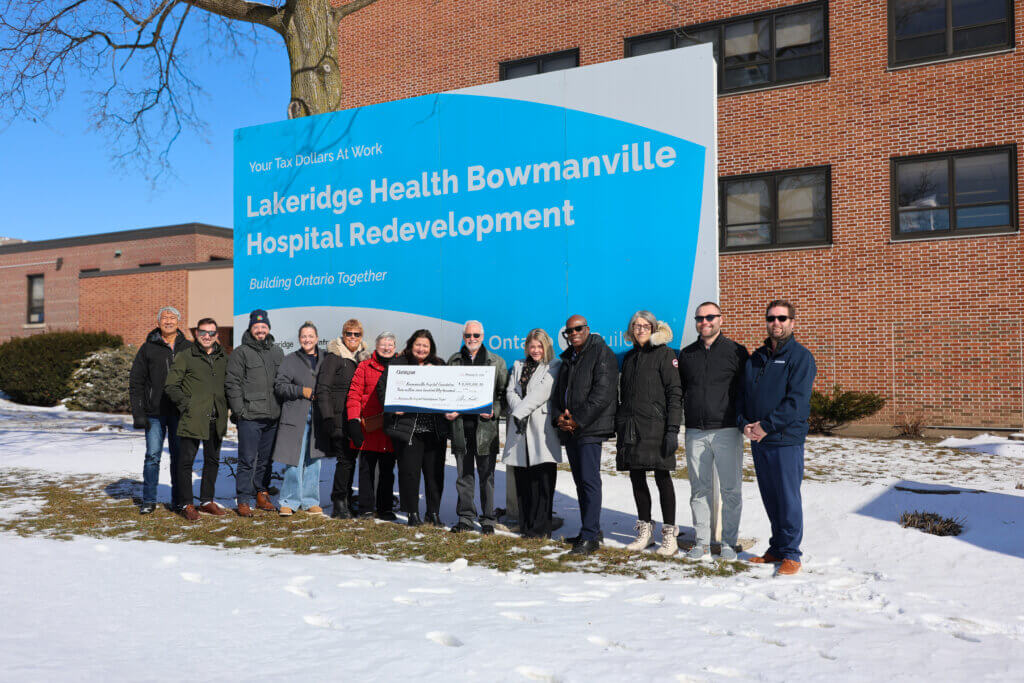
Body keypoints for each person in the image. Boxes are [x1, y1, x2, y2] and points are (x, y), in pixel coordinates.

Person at [737, 299, 817, 576]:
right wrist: (745, 424)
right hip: (760, 441)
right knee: (770, 497)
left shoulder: (800, 357)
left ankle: (792, 554)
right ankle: (777, 547)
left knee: (787, 498)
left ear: (792, 323)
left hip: (785, 440)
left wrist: (767, 426)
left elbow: (797, 403)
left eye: (782, 318)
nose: (776, 323)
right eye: (772, 318)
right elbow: (745, 396)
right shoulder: (756, 357)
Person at [678, 301, 749, 560]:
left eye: (710, 317)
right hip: (696, 431)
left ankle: (728, 542)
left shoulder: (737, 352)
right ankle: (702, 542)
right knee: (699, 490)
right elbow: (682, 390)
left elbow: (746, 391)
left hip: (727, 430)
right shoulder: (686, 355)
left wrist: (745, 421)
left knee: (731, 489)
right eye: (699, 318)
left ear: (721, 319)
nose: (704, 322)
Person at [616, 311, 682, 556]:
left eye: (645, 326)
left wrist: (672, 430)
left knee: (663, 478)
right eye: (636, 326)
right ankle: (644, 531)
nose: (641, 329)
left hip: (658, 427)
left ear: (654, 329)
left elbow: (675, 394)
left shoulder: (665, 354)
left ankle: (669, 534)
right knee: (637, 478)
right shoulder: (630, 358)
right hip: (632, 428)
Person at [553, 314, 617, 555]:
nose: (573, 333)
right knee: (580, 482)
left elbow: (602, 394)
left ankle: (590, 537)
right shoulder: (569, 357)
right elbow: (560, 392)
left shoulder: (602, 353)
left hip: (590, 428)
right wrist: (560, 417)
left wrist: (577, 420)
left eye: (578, 329)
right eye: (569, 331)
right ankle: (590, 530)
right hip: (570, 429)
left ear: (587, 329)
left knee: (589, 481)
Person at [378, 329, 448, 527]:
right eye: (418, 344)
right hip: (409, 430)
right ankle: (412, 513)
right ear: (411, 345)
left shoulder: (440, 365)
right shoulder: (398, 363)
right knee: (410, 472)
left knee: (435, 474)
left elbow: (450, 391)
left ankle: (433, 513)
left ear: (431, 348)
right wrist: (393, 407)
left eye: (425, 345)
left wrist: (451, 410)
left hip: (434, 430)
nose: (421, 348)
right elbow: (382, 388)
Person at [163, 317, 228, 521]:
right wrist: (186, 405)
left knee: (212, 461)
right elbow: (171, 386)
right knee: (186, 462)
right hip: (193, 417)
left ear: (217, 335)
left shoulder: (223, 357)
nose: (206, 336)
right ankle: (186, 503)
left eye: (211, 333)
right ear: (196, 334)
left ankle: (206, 500)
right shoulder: (186, 356)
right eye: (202, 332)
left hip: (216, 417)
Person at [446, 320, 508, 535]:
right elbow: (447, 393)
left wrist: (494, 411)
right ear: (463, 337)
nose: (471, 339)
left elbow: (503, 396)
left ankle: (488, 519)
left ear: (483, 337)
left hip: (485, 430)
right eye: (468, 336)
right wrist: (449, 409)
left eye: (476, 336)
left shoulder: (496, 362)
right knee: (464, 476)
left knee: (487, 477)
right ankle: (465, 518)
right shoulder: (453, 362)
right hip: (461, 429)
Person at [129, 306, 192, 514]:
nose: (168, 321)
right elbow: (136, 382)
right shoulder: (148, 348)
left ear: (178, 322)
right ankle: (148, 500)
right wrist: (138, 413)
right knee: (153, 456)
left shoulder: (188, 348)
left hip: (179, 413)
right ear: (158, 322)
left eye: (172, 318)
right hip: (154, 413)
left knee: (178, 456)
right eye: (164, 318)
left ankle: (177, 500)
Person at [502, 329, 562, 539]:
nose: (535, 350)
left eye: (539, 346)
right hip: (520, 431)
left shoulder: (554, 365)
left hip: (541, 430)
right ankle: (526, 526)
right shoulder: (518, 366)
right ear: (526, 347)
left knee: (543, 481)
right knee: (523, 481)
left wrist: (518, 411)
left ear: (546, 347)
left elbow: (542, 393)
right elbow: (510, 391)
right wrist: (519, 410)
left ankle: (541, 529)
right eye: (532, 346)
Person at [224, 309, 284, 517]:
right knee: (247, 459)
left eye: (263, 327)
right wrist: (240, 410)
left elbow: (282, 382)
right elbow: (232, 383)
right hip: (249, 416)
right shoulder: (241, 352)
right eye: (256, 327)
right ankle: (243, 499)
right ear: (250, 329)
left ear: (268, 328)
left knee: (266, 459)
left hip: (273, 415)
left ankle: (262, 493)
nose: (260, 330)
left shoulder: (277, 352)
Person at [272, 321, 329, 516]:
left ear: (316, 338)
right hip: (296, 415)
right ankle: (289, 500)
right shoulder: (290, 360)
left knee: (315, 460)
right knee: (293, 459)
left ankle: (310, 500)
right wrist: (300, 391)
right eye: (304, 336)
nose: (307, 339)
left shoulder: (326, 359)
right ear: (299, 339)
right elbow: (279, 386)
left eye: (310, 336)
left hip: (318, 416)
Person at [317, 319, 371, 519]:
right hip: (340, 417)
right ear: (343, 335)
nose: (353, 338)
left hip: (357, 419)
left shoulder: (364, 358)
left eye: (357, 334)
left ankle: (347, 498)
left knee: (352, 460)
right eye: (349, 334)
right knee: (345, 460)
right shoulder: (334, 357)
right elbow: (323, 389)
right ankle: (339, 501)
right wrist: (328, 417)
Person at [346, 331, 397, 520]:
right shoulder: (364, 367)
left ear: (395, 347)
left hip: (391, 428)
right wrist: (353, 420)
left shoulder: (401, 367)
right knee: (366, 468)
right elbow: (354, 395)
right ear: (376, 346)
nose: (386, 347)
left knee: (387, 470)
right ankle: (366, 508)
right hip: (370, 427)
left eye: (390, 344)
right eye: (383, 344)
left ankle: (385, 508)